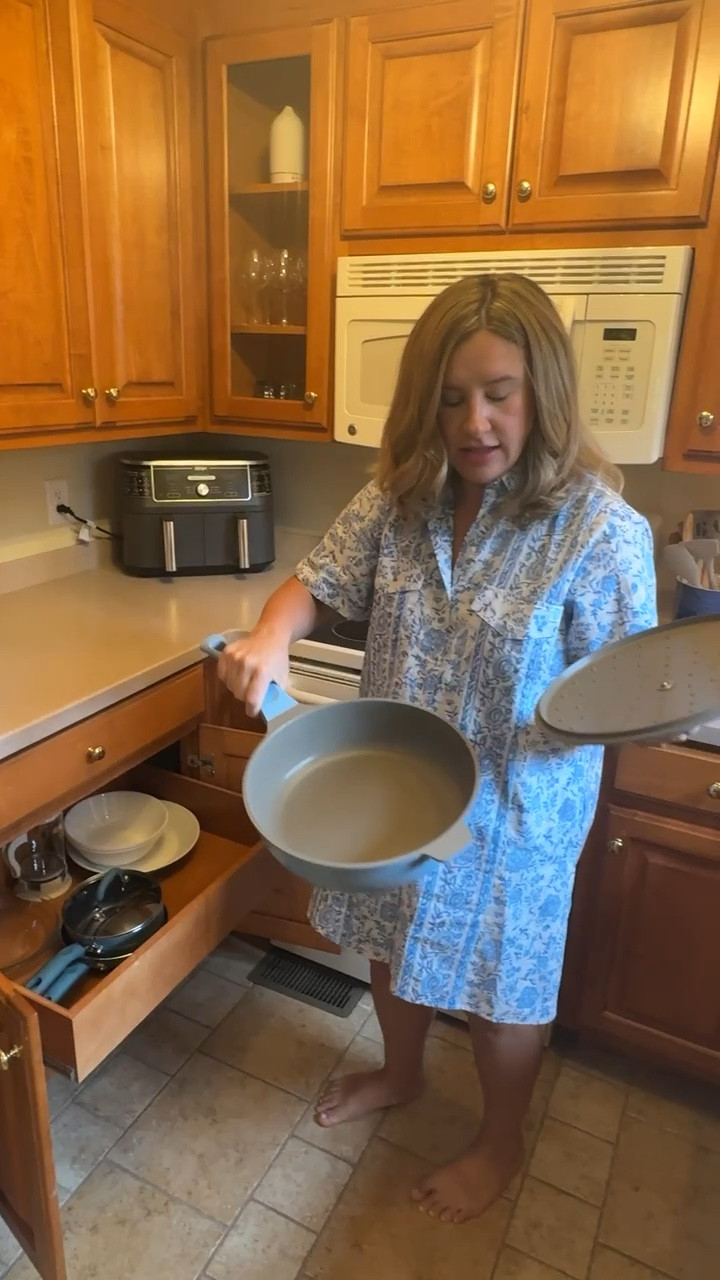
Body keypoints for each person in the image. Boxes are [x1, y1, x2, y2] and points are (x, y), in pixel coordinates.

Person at [217, 272, 657, 1225]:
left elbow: (628, 690)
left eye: (499, 393)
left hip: (512, 815)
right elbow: (311, 582)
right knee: (387, 937)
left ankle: (500, 1142)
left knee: (504, 991)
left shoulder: (603, 532)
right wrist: (268, 635)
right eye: (452, 397)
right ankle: (403, 1073)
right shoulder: (399, 500)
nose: (475, 422)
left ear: (543, 393)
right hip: (393, 792)